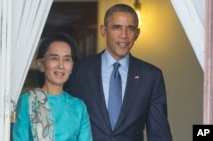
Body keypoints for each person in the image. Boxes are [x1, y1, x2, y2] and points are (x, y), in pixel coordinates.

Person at [65, 3, 172, 141]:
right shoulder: (79, 70)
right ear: (103, 30)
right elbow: (65, 121)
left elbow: (159, 133)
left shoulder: (151, 76)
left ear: (137, 34)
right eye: (117, 27)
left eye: (130, 29)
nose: (124, 35)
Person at [12, 33, 93, 141]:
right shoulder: (27, 101)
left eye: (67, 59)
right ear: (41, 64)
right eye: (54, 58)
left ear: (72, 66)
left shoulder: (78, 107)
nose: (61, 65)